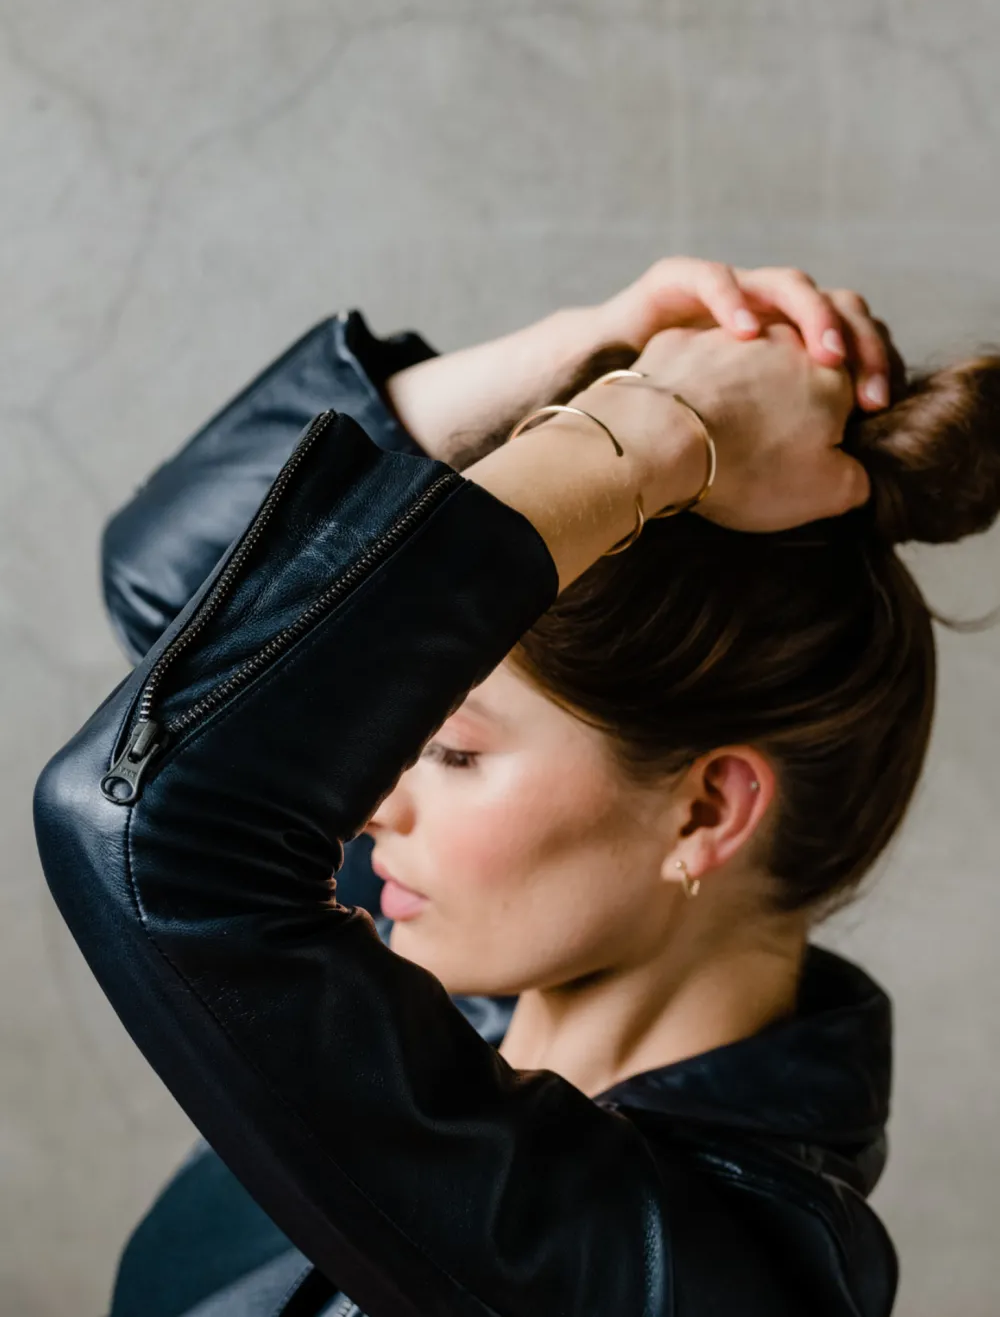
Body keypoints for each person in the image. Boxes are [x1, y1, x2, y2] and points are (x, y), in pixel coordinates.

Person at [33, 258, 1000, 1317]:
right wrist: (586, 355)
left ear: (706, 809)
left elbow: (156, 812)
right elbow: (174, 581)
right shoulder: (451, 963)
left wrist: (648, 436)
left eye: (448, 749)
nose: (368, 804)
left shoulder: (688, 1278)